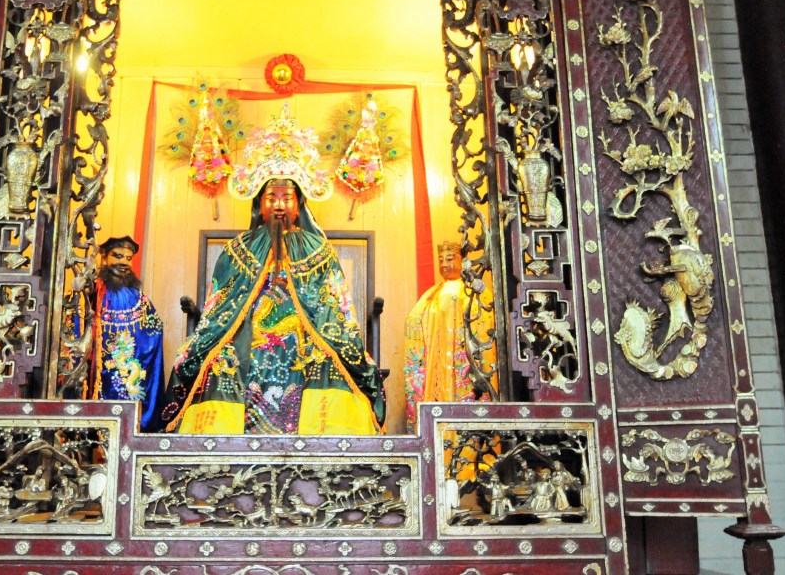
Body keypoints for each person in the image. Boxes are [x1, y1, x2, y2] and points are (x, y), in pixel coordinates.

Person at [161, 107, 386, 435]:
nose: (279, 204)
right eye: (271, 197)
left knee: (329, 360)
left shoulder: (318, 249)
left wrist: (337, 340)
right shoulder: (237, 248)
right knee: (219, 362)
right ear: (259, 203)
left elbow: (336, 307)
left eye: (286, 198)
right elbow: (218, 307)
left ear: (299, 204)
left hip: (308, 333)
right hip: (243, 333)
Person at [403, 241, 495, 432]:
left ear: (463, 261)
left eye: (450, 259)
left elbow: (484, 317)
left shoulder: (469, 289)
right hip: (436, 359)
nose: (444, 264)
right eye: (441, 260)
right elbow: (415, 321)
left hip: (460, 356)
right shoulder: (433, 293)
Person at [84, 236, 165, 431]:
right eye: (118, 256)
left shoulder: (139, 299)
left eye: (128, 259)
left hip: (130, 368)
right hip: (98, 369)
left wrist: (142, 349)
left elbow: (155, 330)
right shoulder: (92, 293)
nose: (124, 263)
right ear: (104, 257)